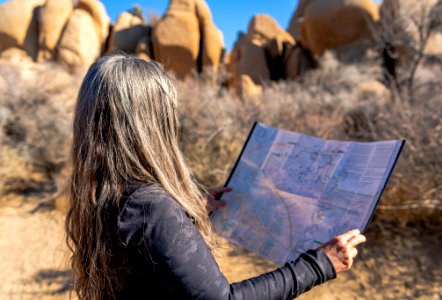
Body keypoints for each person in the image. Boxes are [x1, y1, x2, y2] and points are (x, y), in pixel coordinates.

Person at [65, 55, 366, 300]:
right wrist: (320, 264)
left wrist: (187, 213)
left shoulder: (104, 192)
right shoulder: (151, 207)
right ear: (152, 123)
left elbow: (146, 260)